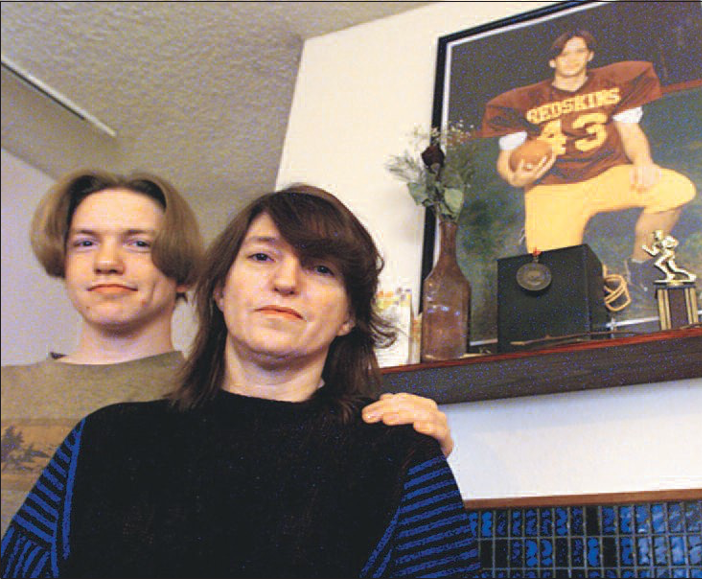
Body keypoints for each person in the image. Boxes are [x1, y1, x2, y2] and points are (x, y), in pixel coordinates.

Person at [1, 184, 480, 577]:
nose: (287, 281)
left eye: (321, 268)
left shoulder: (396, 456)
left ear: (349, 316)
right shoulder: (103, 437)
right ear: (220, 290)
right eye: (262, 257)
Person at [481, 29, 696, 296]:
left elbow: (630, 132)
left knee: (675, 190)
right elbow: (506, 159)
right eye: (563, 54)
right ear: (552, 61)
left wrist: (643, 161)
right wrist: (516, 179)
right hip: (553, 186)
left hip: (606, 174)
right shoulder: (524, 101)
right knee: (556, 269)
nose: (571, 59)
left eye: (579, 51)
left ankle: (642, 264)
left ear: (590, 55)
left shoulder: (613, 83)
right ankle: (590, 272)